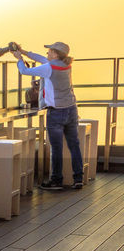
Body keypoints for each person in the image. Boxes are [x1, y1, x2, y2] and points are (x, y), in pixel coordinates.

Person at [13, 41, 82, 190]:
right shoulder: (66, 65)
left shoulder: (48, 68)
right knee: (74, 145)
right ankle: (78, 178)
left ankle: (56, 180)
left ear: (56, 54)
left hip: (56, 112)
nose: (47, 53)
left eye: (50, 51)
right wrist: (24, 51)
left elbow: (24, 71)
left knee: (56, 148)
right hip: (71, 109)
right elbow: (41, 58)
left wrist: (19, 59)